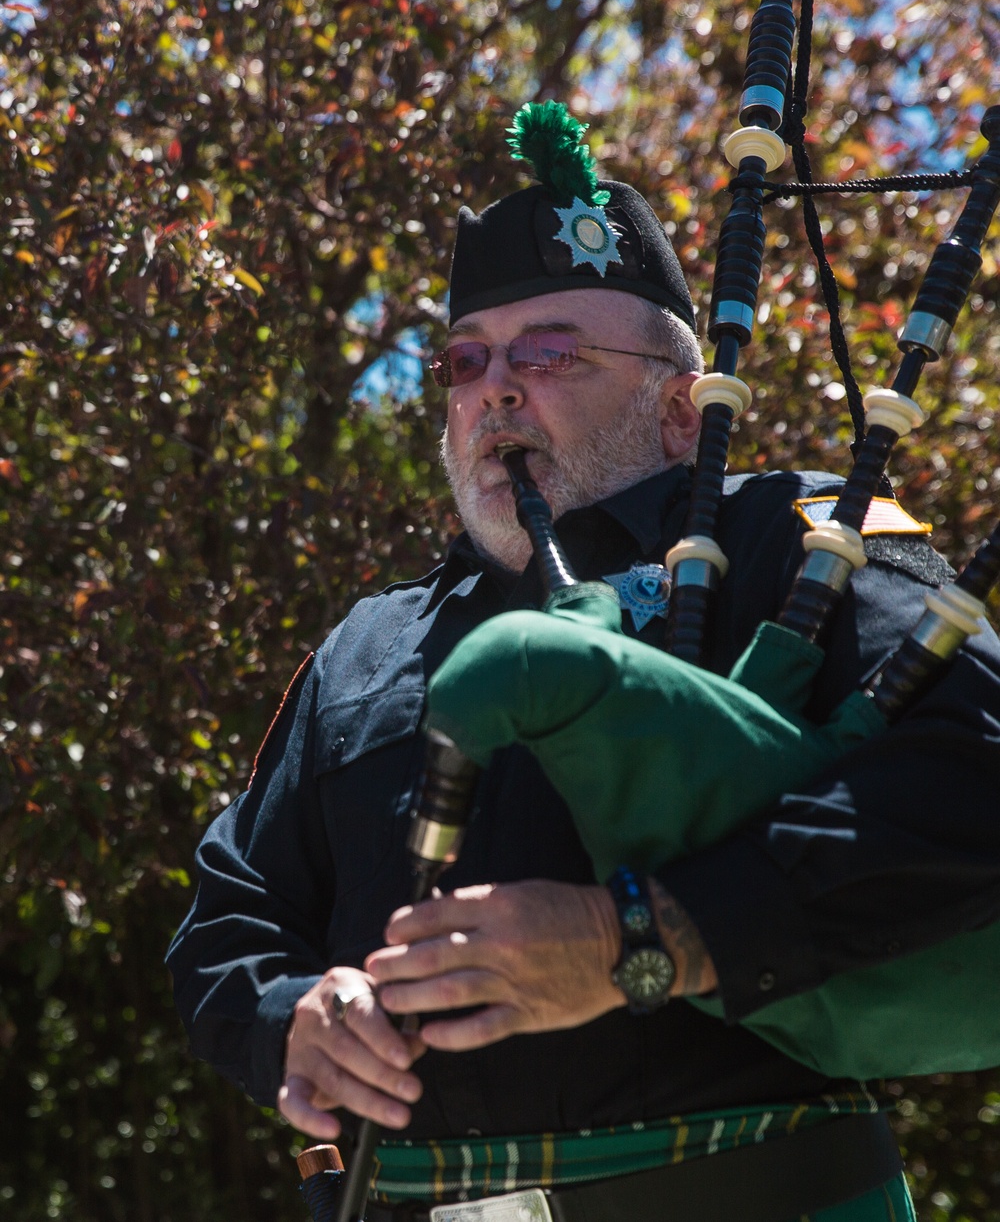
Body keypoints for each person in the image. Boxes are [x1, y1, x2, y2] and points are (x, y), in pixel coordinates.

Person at [167, 104, 1000, 1222]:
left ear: (674, 412)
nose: (495, 387)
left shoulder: (796, 539)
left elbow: (972, 774)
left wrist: (641, 938)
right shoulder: (364, 645)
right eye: (467, 359)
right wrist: (295, 1016)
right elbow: (229, 920)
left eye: (549, 351)